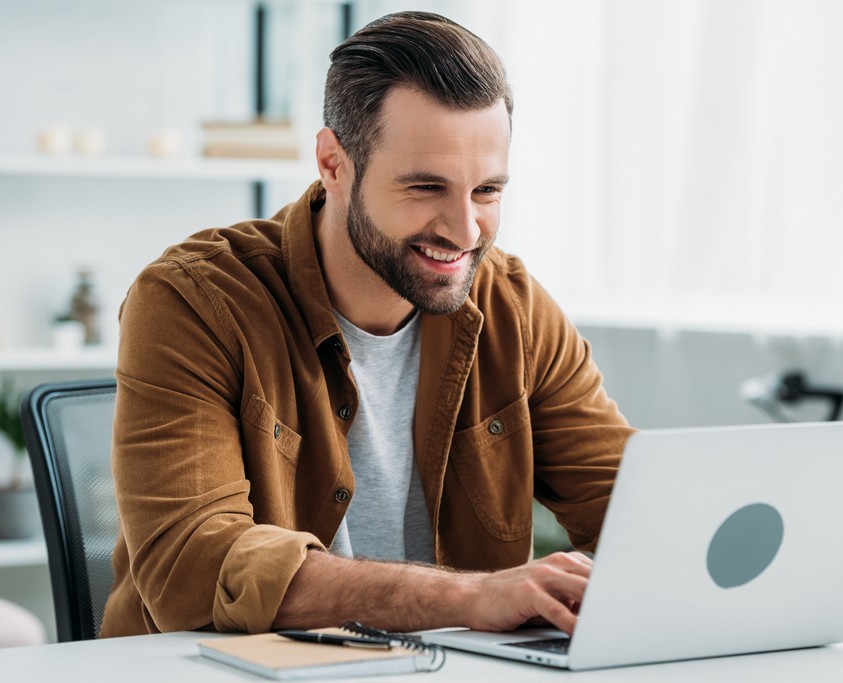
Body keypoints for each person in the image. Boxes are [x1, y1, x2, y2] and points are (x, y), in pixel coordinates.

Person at [101, 11, 633, 638]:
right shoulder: (193, 301)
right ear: (333, 163)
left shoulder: (514, 308)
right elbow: (193, 566)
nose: (465, 232)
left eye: (487, 191)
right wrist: (468, 598)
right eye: (425, 186)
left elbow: (634, 508)